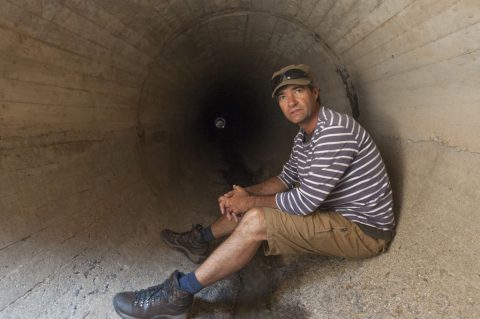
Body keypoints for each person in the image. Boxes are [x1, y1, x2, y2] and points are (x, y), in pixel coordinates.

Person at [112, 64, 395, 319]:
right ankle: (200, 239)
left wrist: (249, 202)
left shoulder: (334, 130)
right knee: (251, 204)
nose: (291, 102)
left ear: (315, 92)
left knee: (257, 219)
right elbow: (286, 178)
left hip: (363, 231)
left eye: (298, 91)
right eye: (283, 97)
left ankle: (179, 294)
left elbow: (304, 202)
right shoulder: (304, 136)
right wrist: (243, 193)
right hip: (336, 215)